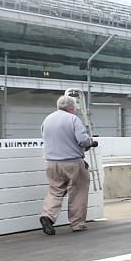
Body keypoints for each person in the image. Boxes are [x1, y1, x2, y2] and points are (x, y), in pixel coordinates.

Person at [39, 94, 96, 235]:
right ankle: (77, 224)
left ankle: (48, 216)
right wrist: (91, 142)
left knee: (55, 191)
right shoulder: (73, 119)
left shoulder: (48, 119)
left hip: (52, 163)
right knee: (78, 191)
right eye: (75, 108)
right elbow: (82, 140)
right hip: (72, 162)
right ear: (71, 108)